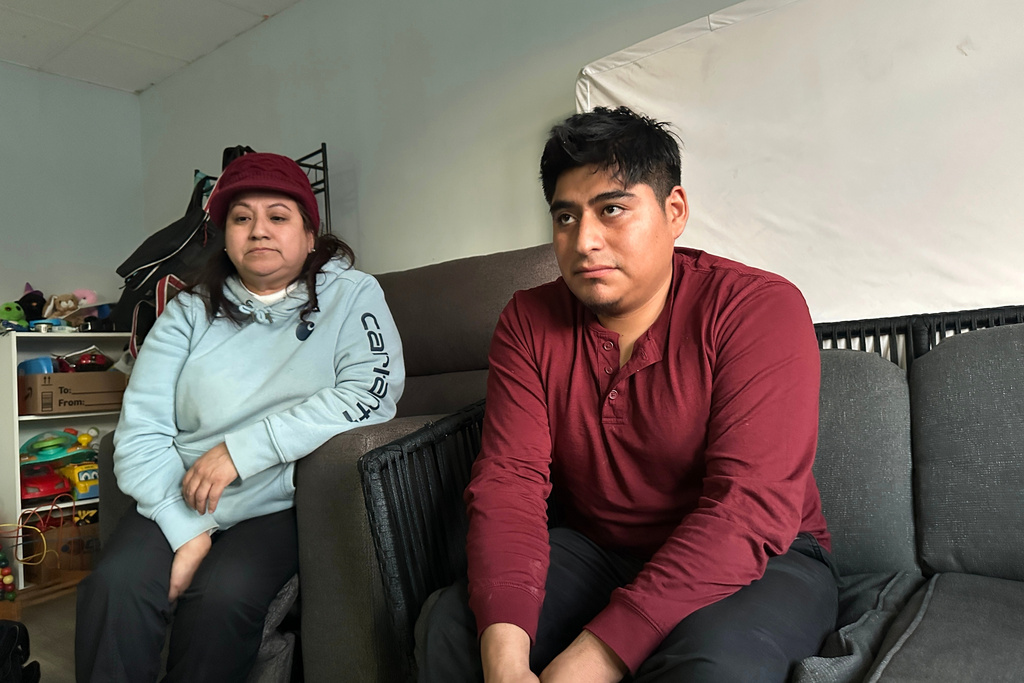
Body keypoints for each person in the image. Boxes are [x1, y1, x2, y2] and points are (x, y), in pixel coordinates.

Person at [418, 107, 837, 682]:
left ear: (674, 211)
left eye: (611, 209)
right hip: (604, 551)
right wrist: (506, 666)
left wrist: (591, 659)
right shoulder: (528, 321)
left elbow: (748, 508)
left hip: (765, 556)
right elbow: (510, 482)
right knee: (456, 628)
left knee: (712, 670)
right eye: (566, 217)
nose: (584, 240)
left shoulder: (757, 308)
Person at [76, 152, 405, 682]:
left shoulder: (353, 295)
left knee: (222, 599)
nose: (259, 230)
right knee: (114, 587)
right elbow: (141, 426)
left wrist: (242, 450)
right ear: (225, 238)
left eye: (278, 216)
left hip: (276, 502)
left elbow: (371, 390)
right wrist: (186, 529)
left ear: (310, 235)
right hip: (177, 490)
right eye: (241, 218)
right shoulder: (188, 310)